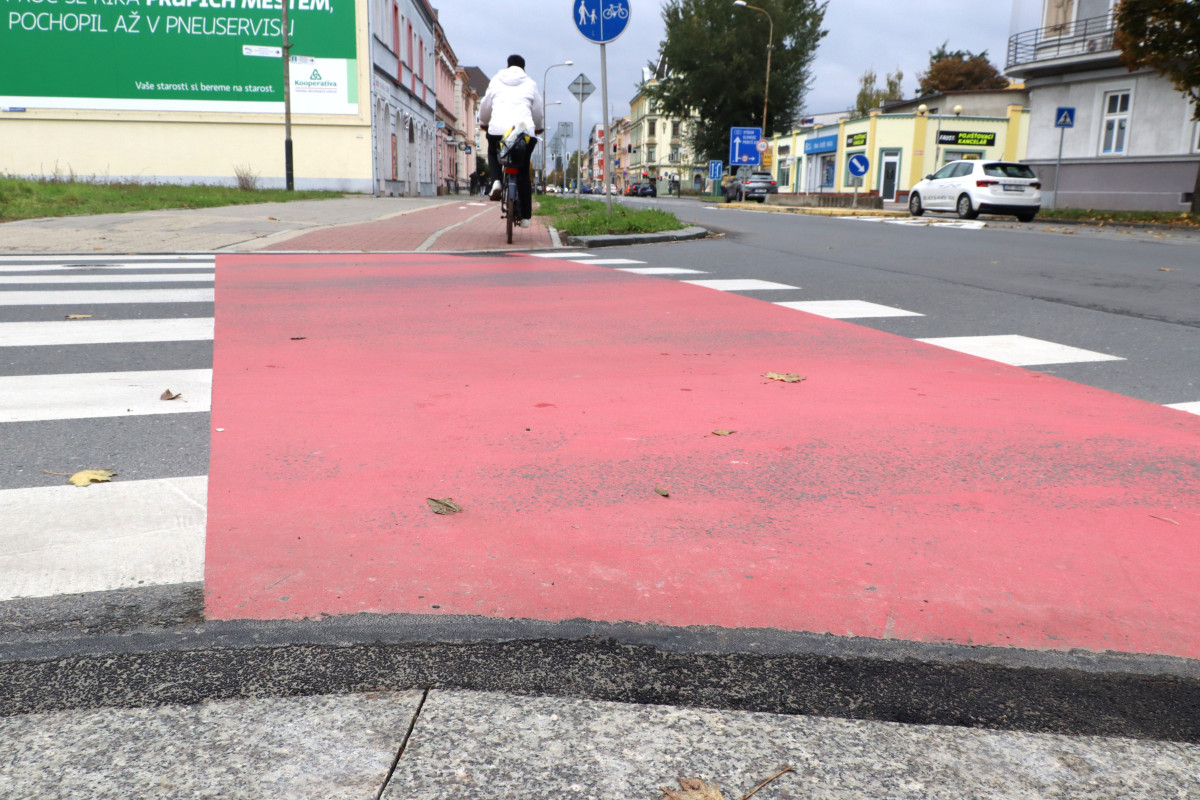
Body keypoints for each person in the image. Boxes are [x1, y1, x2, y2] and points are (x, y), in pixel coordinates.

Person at [478, 54, 544, 228]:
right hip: (524, 132)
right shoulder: (530, 83)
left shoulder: (496, 81)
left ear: (507, 66)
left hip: (498, 131)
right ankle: (526, 218)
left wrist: (484, 122)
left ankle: (497, 181)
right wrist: (537, 127)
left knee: (493, 152)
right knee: (522, 170)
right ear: (524, 68)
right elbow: (537, 111)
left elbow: (485, 106)